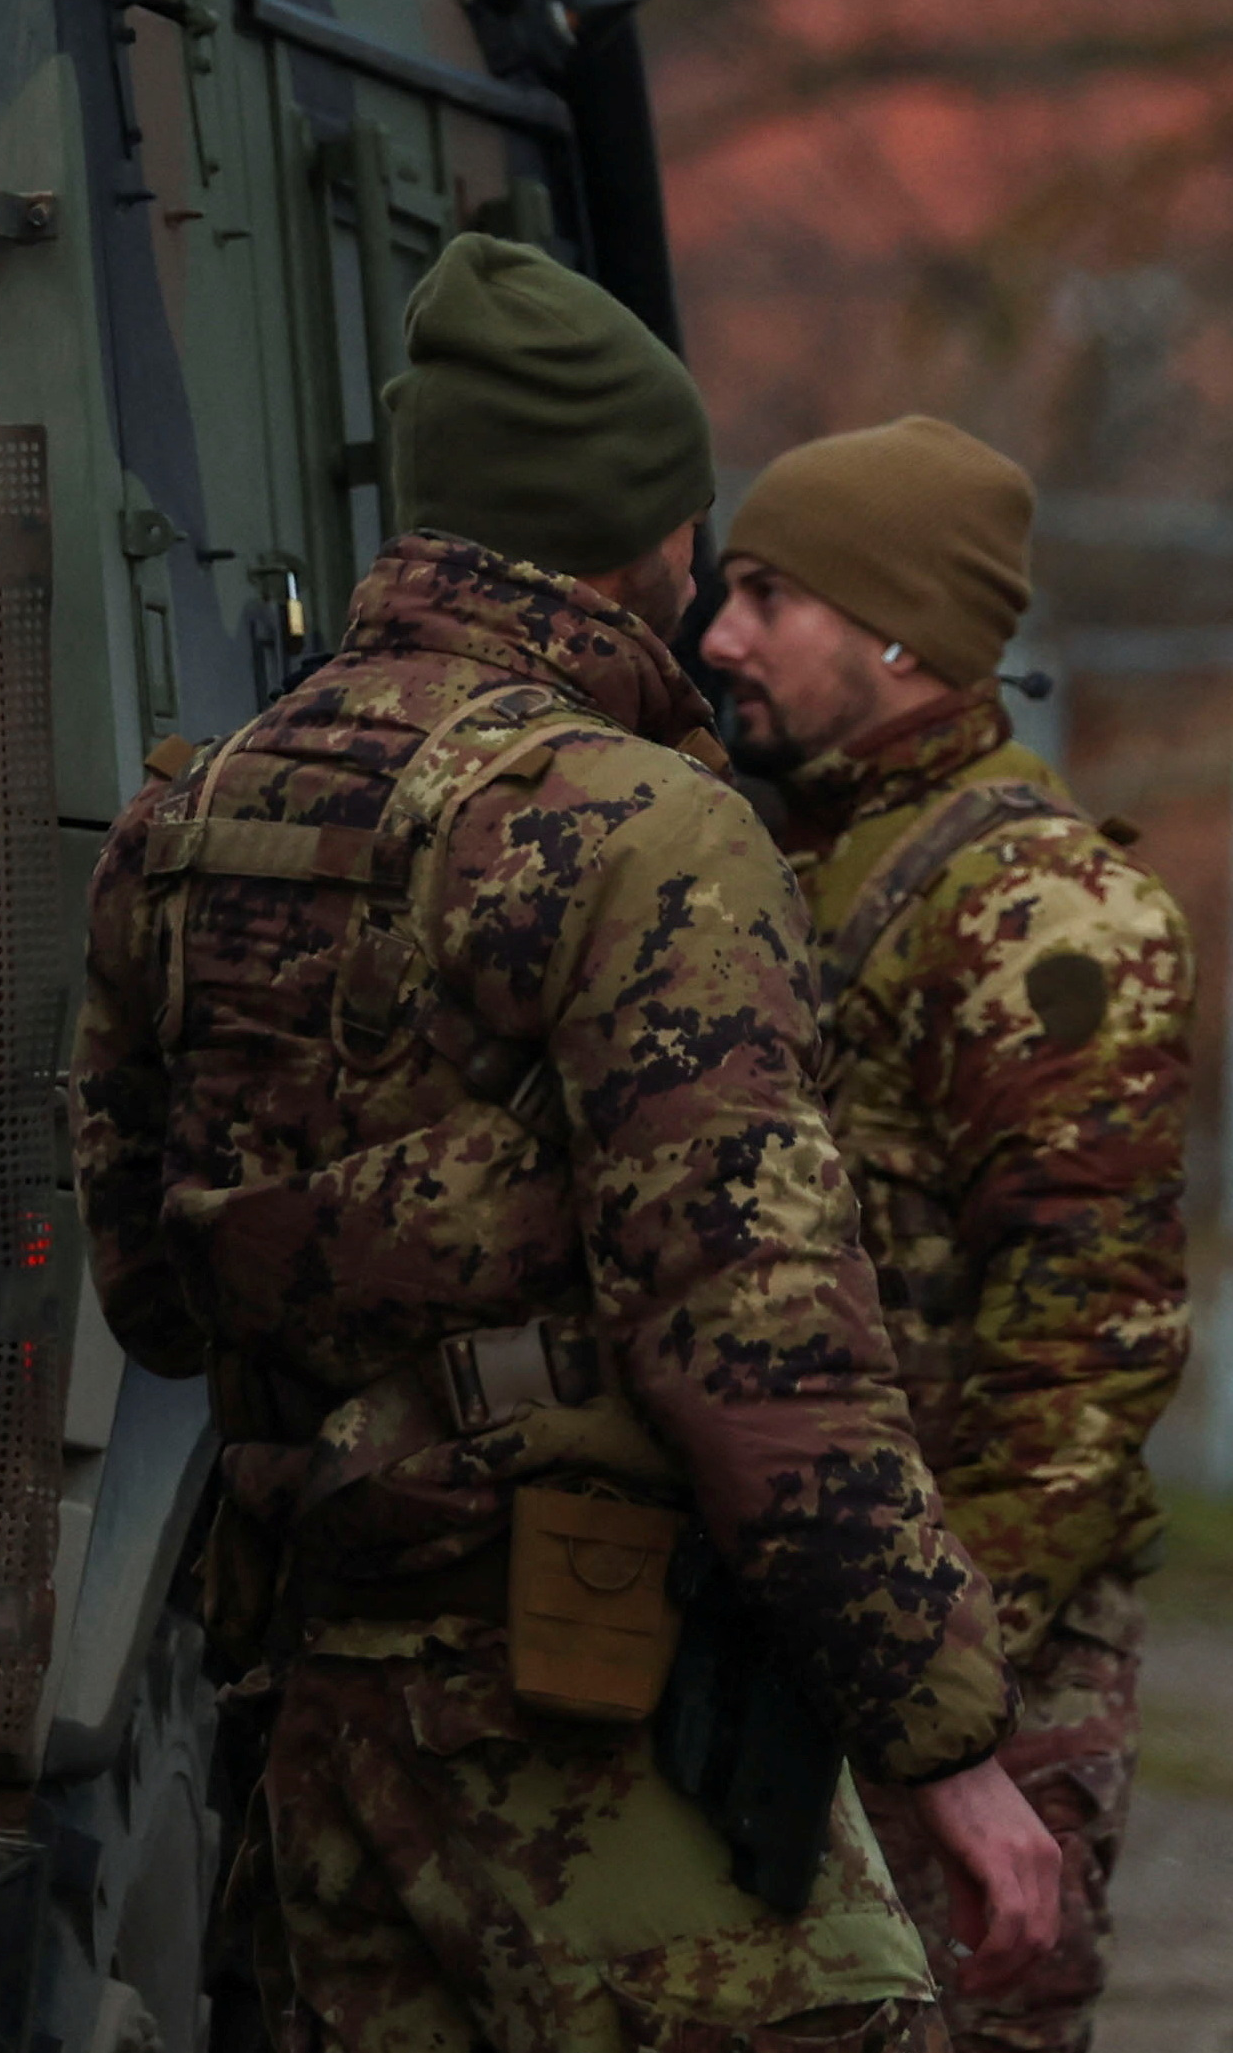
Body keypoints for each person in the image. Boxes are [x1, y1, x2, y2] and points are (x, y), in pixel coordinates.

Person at [74, 234, 1067, 2053]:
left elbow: (147, 1285)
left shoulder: (188, 814)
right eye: (687, 524)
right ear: (628, 528)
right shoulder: (642, 828)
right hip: (593, 1733)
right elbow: (752, 1337)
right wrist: (944, 1733)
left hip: (312, 1736)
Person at [698, 416, 1193, 2053]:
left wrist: (936, 1695)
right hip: (820, 1657)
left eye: (769, 595)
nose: (719, 634)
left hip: (978, 1685)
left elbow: (1086, 1354)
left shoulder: (1040, 912)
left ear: (902, 631)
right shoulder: (786, 856)